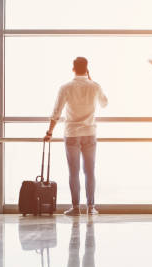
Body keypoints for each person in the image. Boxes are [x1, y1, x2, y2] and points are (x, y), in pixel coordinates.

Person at [44, 57, 108, 216]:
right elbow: (105, 103)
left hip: (72, 134)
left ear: (73, 68)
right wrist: (91, 80)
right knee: (89, 171)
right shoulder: (94, 86)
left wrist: (49, 132)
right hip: (89, 133)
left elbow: (56, 112)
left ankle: (75, 207)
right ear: (87, 68)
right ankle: (91, 207)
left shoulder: (65, 87)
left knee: (74, 172)